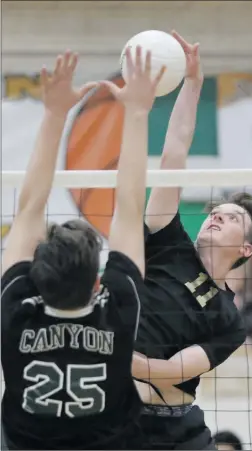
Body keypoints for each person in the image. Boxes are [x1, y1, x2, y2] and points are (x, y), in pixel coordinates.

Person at [1, 49, 165, 450]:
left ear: (35, 276)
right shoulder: (119, 307)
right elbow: (128, 209)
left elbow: (28, 210)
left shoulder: (15, 308)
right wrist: (138, 113)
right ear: (97, 282)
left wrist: (54, 115)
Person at [131, 31, 252, 450]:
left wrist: (109, 355)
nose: (218, 214)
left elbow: (167, 370)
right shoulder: (168, 242)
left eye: (233, 217)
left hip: (177, 428)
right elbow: (174, 155)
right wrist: (192, 85)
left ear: (246, 250)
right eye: (216, 211)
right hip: (121, 416)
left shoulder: (229, 320)